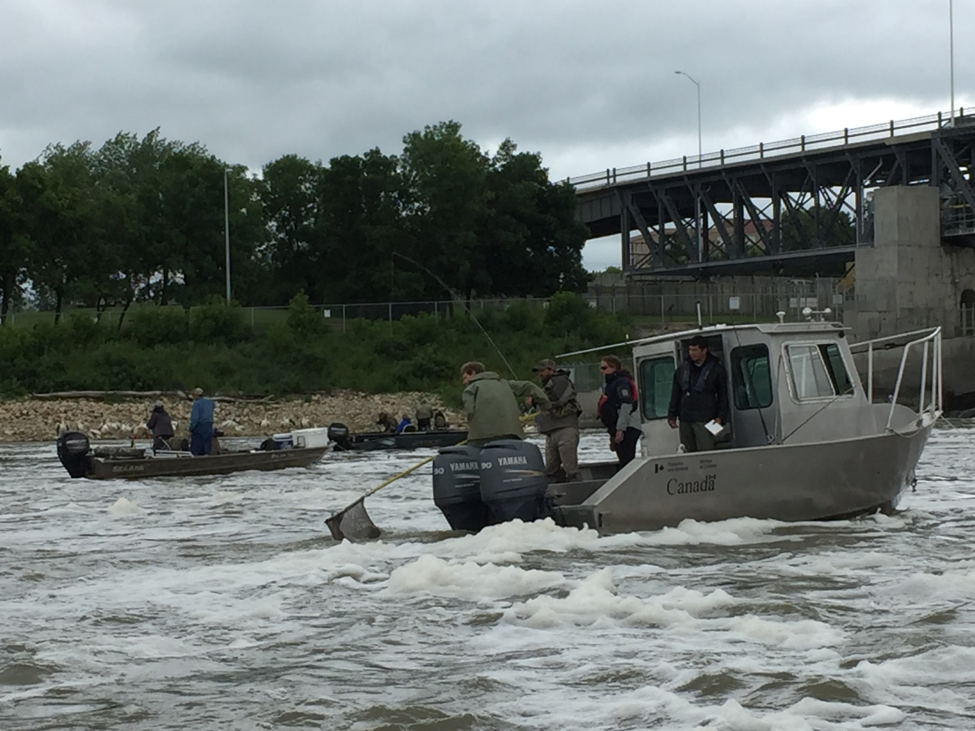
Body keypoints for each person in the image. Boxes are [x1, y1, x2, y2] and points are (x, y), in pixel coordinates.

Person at [460, 361, 550, 447]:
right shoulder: (505, 384)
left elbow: (469, 410)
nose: (464, 382)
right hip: (513, 434)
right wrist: (545, 405)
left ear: (473, 373)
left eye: (465, 377)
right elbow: (529, 386)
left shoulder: (471, 388)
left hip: (482, 437)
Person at [667, 335, 730, 453]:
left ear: (704, 350)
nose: (692, 353)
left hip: (705, 418)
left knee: (706, 452)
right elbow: (675, 393)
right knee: (687, 451)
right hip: (685, 418)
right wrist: (672, 415)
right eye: (690, 350)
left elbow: (723, 395)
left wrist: (721, 417)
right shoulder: (682, 369)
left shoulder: (717, 370)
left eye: (695, 350)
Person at [532, 358, 582, 482]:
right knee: (550, 470)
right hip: (551, 432)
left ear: (550, 369)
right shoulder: (546, 386)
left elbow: (556, 399)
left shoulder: (561, 380)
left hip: (565, 430)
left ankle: (577, 490)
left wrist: (534, 401)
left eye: (541, 371)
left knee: (570, 468)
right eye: (538, 372)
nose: (539, 374)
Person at [598, 355, 642, 468]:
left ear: (613, 368)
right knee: (622, 458)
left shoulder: (621, 383)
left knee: (626, 460)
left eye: (604, 368)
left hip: (628, 427)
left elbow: (626, 405)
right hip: (617, 426)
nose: (601, 371)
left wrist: (620, 429)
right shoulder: (611, 384)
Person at [188, 387, 215, 456]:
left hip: (200, 426)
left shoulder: (197, 404)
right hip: (209, 425)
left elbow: (195, 418)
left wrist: (191, 428)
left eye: (193, 395)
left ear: (197, 395)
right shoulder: (210, 402)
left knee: (196, 446)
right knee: (207, 444)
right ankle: (206, 455)